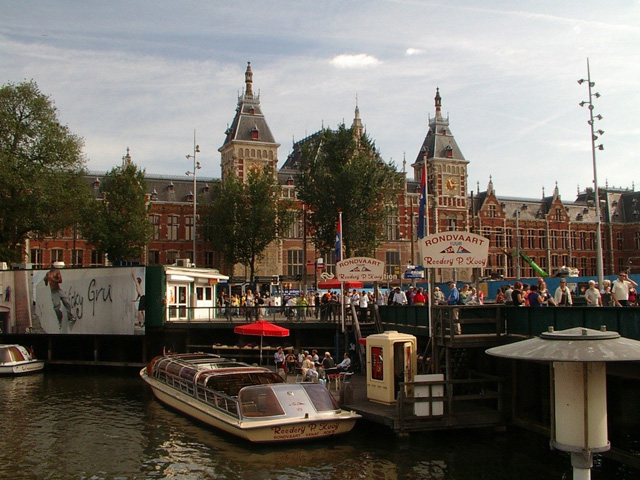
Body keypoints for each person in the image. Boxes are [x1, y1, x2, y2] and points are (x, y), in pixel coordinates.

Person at [44, 264, 76, 330]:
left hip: (58, 290)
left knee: (66, 302)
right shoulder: (48, 273)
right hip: (53, 292)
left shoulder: (57, 272)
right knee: (56, 307)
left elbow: (60, 280)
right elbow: (46, 283)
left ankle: (70, 317)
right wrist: (46, 280)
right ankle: (60, 318)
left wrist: (52, 279)